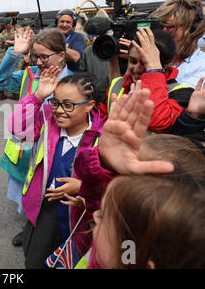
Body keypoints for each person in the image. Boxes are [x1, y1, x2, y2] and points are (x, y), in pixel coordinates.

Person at [74, 88, 205, 268]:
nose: (94, 215)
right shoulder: (129, 235)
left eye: (103, 216)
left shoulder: (130, 211)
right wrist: (104, 162)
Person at [9, 70, 103, 268]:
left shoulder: (103, 138)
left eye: (68, 105)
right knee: (35, 261)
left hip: (79, 219)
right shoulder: (47, 122)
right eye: (55, 102)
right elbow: (16, 128)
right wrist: (38, 97)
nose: (59, 110)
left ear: (89, 105)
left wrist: (82, 187)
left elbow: (111, 183)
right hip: (44, 210)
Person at [0, 28, 72, 247]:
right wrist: (16, 54)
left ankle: (45, 233)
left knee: (49, 196)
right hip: (25, 149)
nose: (39, 62)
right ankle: (30, 228)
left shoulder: (74, 82)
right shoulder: (29, 76)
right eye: (36, 56)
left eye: (44, 56)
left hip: (52, 152)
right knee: (26, 193)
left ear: (62, 55)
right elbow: (1, 82)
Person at [101, 27, 193, 132]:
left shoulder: (183, 93)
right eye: (133, 61)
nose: (136, 69)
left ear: (165, 65)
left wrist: (153, 68)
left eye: (145, 64)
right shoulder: (117, 85)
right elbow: (98, 126)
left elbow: (157, 122)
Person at [150, 0, 205, 88]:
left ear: (192, 30)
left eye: (170, 27)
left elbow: (176, 97)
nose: (164, 31)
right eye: (162, 25)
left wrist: (152, 65)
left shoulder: (201, 65)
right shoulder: (151, 56)